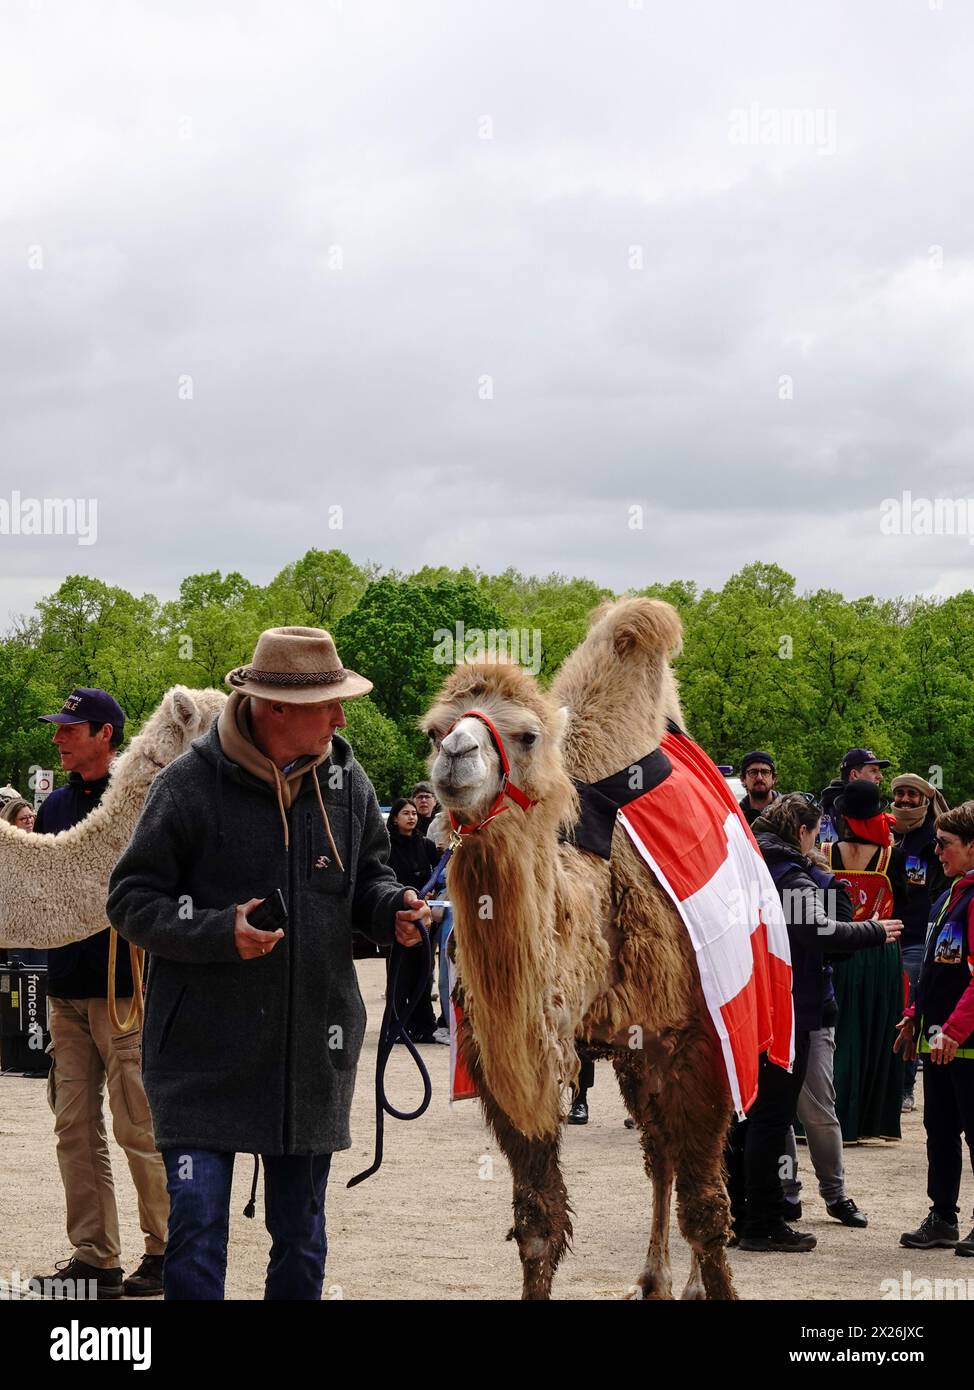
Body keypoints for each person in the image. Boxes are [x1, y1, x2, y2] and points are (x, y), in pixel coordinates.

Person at [107, 627, 431, 1301]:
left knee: (302, 1238)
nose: (342, 717)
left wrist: (389, 908)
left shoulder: (346, 778)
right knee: (195, 1232)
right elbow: (131, 902)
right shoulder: (187, 785)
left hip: (311, 1054)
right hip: (200, 1061)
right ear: (275, 707)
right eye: (330, 703)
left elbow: (365, 877)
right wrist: (219, 931)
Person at [30, 688, 168, 1300]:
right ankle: (95, 1258)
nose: (58, 737)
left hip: (126, 990)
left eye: (70, 728)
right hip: (67, 989)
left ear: (106, 734)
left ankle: (166, 1251)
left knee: (139, 1126)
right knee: (75, 1130)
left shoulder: (141, 799)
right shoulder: (57, 804)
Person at [726, 793, 900, 1253]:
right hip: (789, 1009)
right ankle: (763, 1222)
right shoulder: (788, 873)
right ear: (802, 832)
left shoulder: (746, 862)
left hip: (748, 1003)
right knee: (771, 1117)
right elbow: (818, 932)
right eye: (815, 832)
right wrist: (876, 930)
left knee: (747, 1115)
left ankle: (739, 1213)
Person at [895, 802, 974, 1255]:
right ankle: (942, 1216)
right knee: (940, 1132)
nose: (937, 852)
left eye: (945, 845)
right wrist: (913, 1017)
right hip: (938, 1042)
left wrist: (955, 1032)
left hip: (965, 1044)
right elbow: (934, 964)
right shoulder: (949, 897)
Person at [824, 779, 908, 1143]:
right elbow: (904, 905)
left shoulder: (825, 853)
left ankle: (830, 1116)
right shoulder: (894, 856)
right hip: (879, 952)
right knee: (873, 1032)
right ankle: (868, 1121)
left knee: (837, 1033)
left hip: (837, 946)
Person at [892, 773, 950, 1112]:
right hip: (884, 936)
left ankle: (905, 1087)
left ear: (924, 800)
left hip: (916, 939)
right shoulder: (886, 835)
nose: (905, 801)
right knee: (888, 1013)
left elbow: (941, 887)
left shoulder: (933, 841)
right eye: (900, 794)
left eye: (912, 795)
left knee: (907, 1012)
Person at [386, 797, 442, 1044]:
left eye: (413, 813)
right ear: (395, 818)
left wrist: (430, 892)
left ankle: (423, 1024)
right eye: (405, 813)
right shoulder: (387, 846)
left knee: (423, 970)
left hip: (424, 914)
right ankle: (397, 1025)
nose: (411, 817)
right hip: (400, 913)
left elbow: (436, 873)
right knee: (400, 972)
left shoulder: (426, 845)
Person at [738, 751, 778, 826]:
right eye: (753, 772)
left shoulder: (790, 813)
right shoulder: (736, 817)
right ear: (743, 779)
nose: (759, 778)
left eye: (765, 772)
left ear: (774, 778)